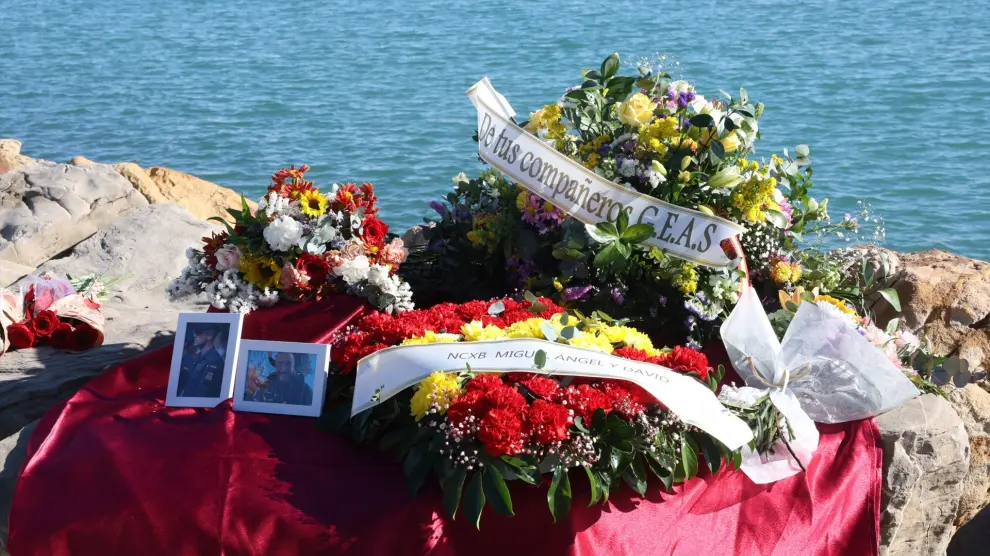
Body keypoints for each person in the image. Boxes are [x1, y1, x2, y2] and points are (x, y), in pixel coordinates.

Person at [177, 323, 226, 398]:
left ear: (209, 336)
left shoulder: (215, 361)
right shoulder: (196, 358)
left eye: (198, 333)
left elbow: (205, 391)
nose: (194, 336)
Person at [248, 352, 313, 405]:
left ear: (294, 366)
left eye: (288, 363)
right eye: (280, 363)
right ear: (275, 365)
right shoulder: (265, 385)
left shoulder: (306, 390)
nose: (284, 368)